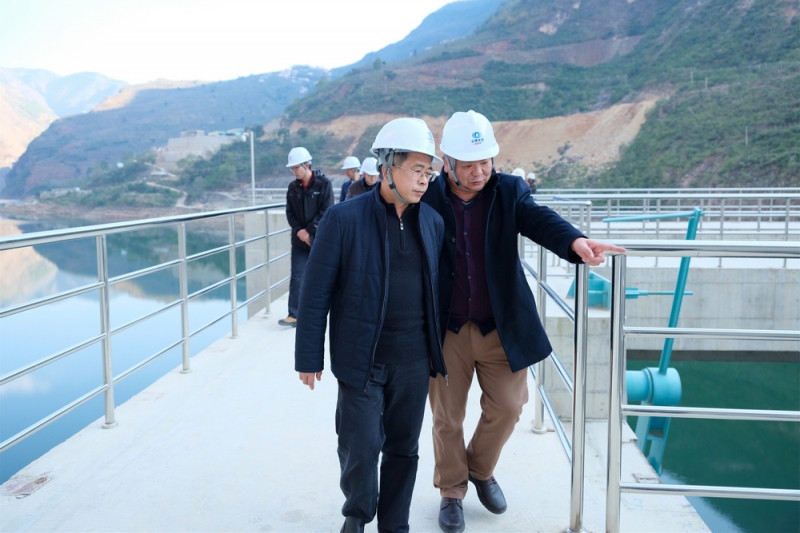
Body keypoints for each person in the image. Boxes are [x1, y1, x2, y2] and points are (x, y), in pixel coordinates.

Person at [421, 110, 625, 533]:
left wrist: (575, 240)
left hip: (500, 326)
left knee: (510, 407)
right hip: (446, 328)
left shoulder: (509, 191)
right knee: (447, 418)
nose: (479, 172)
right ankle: (451, 491)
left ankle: (479, 469)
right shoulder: (427, 197)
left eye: (485, 162)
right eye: (469, 165)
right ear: (447, 163)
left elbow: (539, 220)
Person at [295, 118, 447, 533]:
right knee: (360, 447)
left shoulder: (432, 223)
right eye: (416, 170)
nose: (424, 180)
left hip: (413, 359)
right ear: (386, 167)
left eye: (429, 172)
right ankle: (358, 514)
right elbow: (315, 292)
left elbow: (438, 290)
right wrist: (308, 356)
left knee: (404, 448)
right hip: (362, 356)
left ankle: (395, 524)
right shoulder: (343, 219)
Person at [280, 146, 333, 327]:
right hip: (299, 241)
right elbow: (290, 213)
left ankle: (321, 312)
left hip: (320, 239)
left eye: (296, 167)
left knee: (322, 277)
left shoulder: (323, 184)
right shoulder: (292, 187)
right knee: (297, 276)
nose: (294, 171)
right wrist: (300, 232)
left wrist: (309, 231)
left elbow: (326, 210)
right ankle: (294, 315)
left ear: (307, 165)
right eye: (292, 168)